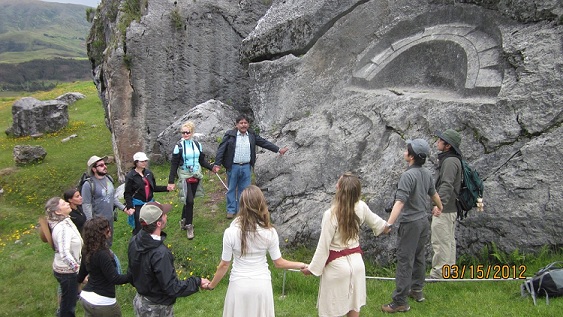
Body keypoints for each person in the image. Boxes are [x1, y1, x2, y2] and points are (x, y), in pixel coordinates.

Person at [203, 185, 307, 317]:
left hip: (239, 286)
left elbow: (224, 265)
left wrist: (211, 285)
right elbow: (279, 263)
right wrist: (302, 265)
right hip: (261, 286)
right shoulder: (270, 232)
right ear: (261, 204)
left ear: (241, 205)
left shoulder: (230, 232)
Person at [301, 173, 390, 317]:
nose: (336, 185)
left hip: (337, 268)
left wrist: (311, 269)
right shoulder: (361, 207)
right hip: (358, 265)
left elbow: (323, 247)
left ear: (339, 189)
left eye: (338, 183)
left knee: (330, 311)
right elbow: (381, 225)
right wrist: (388, 225)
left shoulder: (331, 214)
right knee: (353, 308)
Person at [381, 139, 443, 313]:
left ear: (412, 156)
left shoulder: (407, 176)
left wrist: (389, 224)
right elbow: (434, 194)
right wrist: (439, 206)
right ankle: (417, 290)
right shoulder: (426, 174)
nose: (404, 152)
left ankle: (400, 301)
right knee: (418, 256)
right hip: (423, 222)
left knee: (404, 260)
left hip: (410, 224)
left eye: (406, 150)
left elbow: (400, 202)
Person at [127, 201, 210, 316]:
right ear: (159, 223)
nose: (166, 216)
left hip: (141, 302)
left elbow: (131, 274)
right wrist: (197, 282)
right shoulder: (160, 253)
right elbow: (172, 287)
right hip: (157, 309)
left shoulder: (134, 241)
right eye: (164, 214)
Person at [212, 114, 288, 219]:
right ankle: (230, 210)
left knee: (244, 190)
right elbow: (221, 149)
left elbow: (263, 143)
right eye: (241, 123)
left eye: (245, 123)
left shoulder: (251, 135)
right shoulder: (230, 135)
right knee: (231, 189)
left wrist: (278, 149)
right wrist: (217, 164)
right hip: (233, 166)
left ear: (248, 124)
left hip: (246, 167)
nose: (243, 125)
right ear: (236, 124)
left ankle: (242, 210)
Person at [167, 121, 214, 239]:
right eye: (183, 132)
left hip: (196, 174)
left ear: (192, 132)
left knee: (190, 199)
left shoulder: (197, 145)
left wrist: (211, 167)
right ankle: (189, 226)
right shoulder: (178, 147)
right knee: (190, 201)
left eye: (187, 132)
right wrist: (171, 181)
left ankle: (183, 220)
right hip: (184, 174)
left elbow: (201, 161)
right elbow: (174, 164)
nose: (185, 134)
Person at [78, 217, 132, 317]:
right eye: (107, 228)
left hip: (87, 299)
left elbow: (81, 275)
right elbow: (115, 278)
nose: (110, 229)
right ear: (101, 233)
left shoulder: (87, 250)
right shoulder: (102, 254)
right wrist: (133, 275)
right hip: (103, 302)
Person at [429, 129, 463, 279]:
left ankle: (438, 275)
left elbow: (446, 185)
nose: (437, 142)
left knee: (440, 242)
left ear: (448, 146)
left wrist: (439, 205)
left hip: (445, 209)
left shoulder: (449, 162)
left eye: (440, 140)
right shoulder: (453, 160)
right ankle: (450, 272)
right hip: (451, 209)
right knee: (448, 241)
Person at [45, 197, 83, 317]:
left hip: (67, 270)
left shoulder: (66, 220)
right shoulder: (62, 228)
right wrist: (78, 270)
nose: (67, 203)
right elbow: (65, 254)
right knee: (68, 306)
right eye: (63, 203)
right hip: (67, 272)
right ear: (57, 212)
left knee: (69, 301)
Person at [82, 155, 129, 246]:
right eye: (101, 165)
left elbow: (113, 197)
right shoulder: (88, 185)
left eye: (104, 164)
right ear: (94, 169)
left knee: (109, 242)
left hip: (109, 219)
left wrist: (124, 208)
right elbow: (86, 204)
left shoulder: (109, 179)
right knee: (99, 245)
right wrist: (91, 223)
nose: (105, 167)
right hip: (97, 222)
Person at [125, 152, 168, 236]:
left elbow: (154, 188)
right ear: (136, 162)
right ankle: (138, 244)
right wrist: (130, 207)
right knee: (139, 227)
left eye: (145, 161)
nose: (144, 163)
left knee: (151, 224)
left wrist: (166, 188)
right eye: (142, 161)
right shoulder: (130, 176)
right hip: (138, 205)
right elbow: (127, 193)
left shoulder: (148, 173)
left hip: (149, 203)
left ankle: (151, 241)